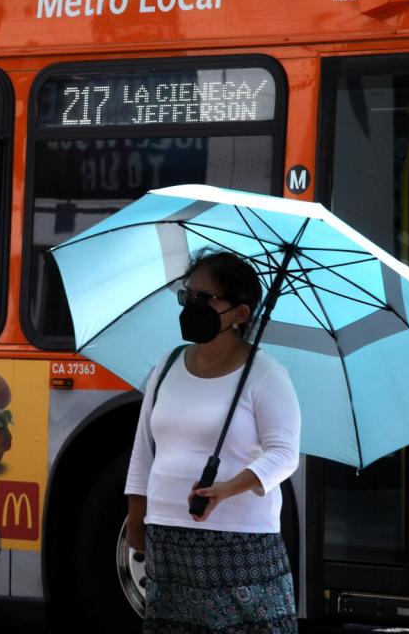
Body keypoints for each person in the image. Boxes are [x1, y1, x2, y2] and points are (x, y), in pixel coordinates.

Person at [124, 250, 301, 634]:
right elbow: (144, 449)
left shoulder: (267, 375)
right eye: (187, 296)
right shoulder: (168, 365)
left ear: (240, 314)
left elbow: (285, 455)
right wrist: (136, 515)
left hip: (241, 547)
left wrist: (225, 490)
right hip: (168, 540)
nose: (191, 306)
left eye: (204, 299)